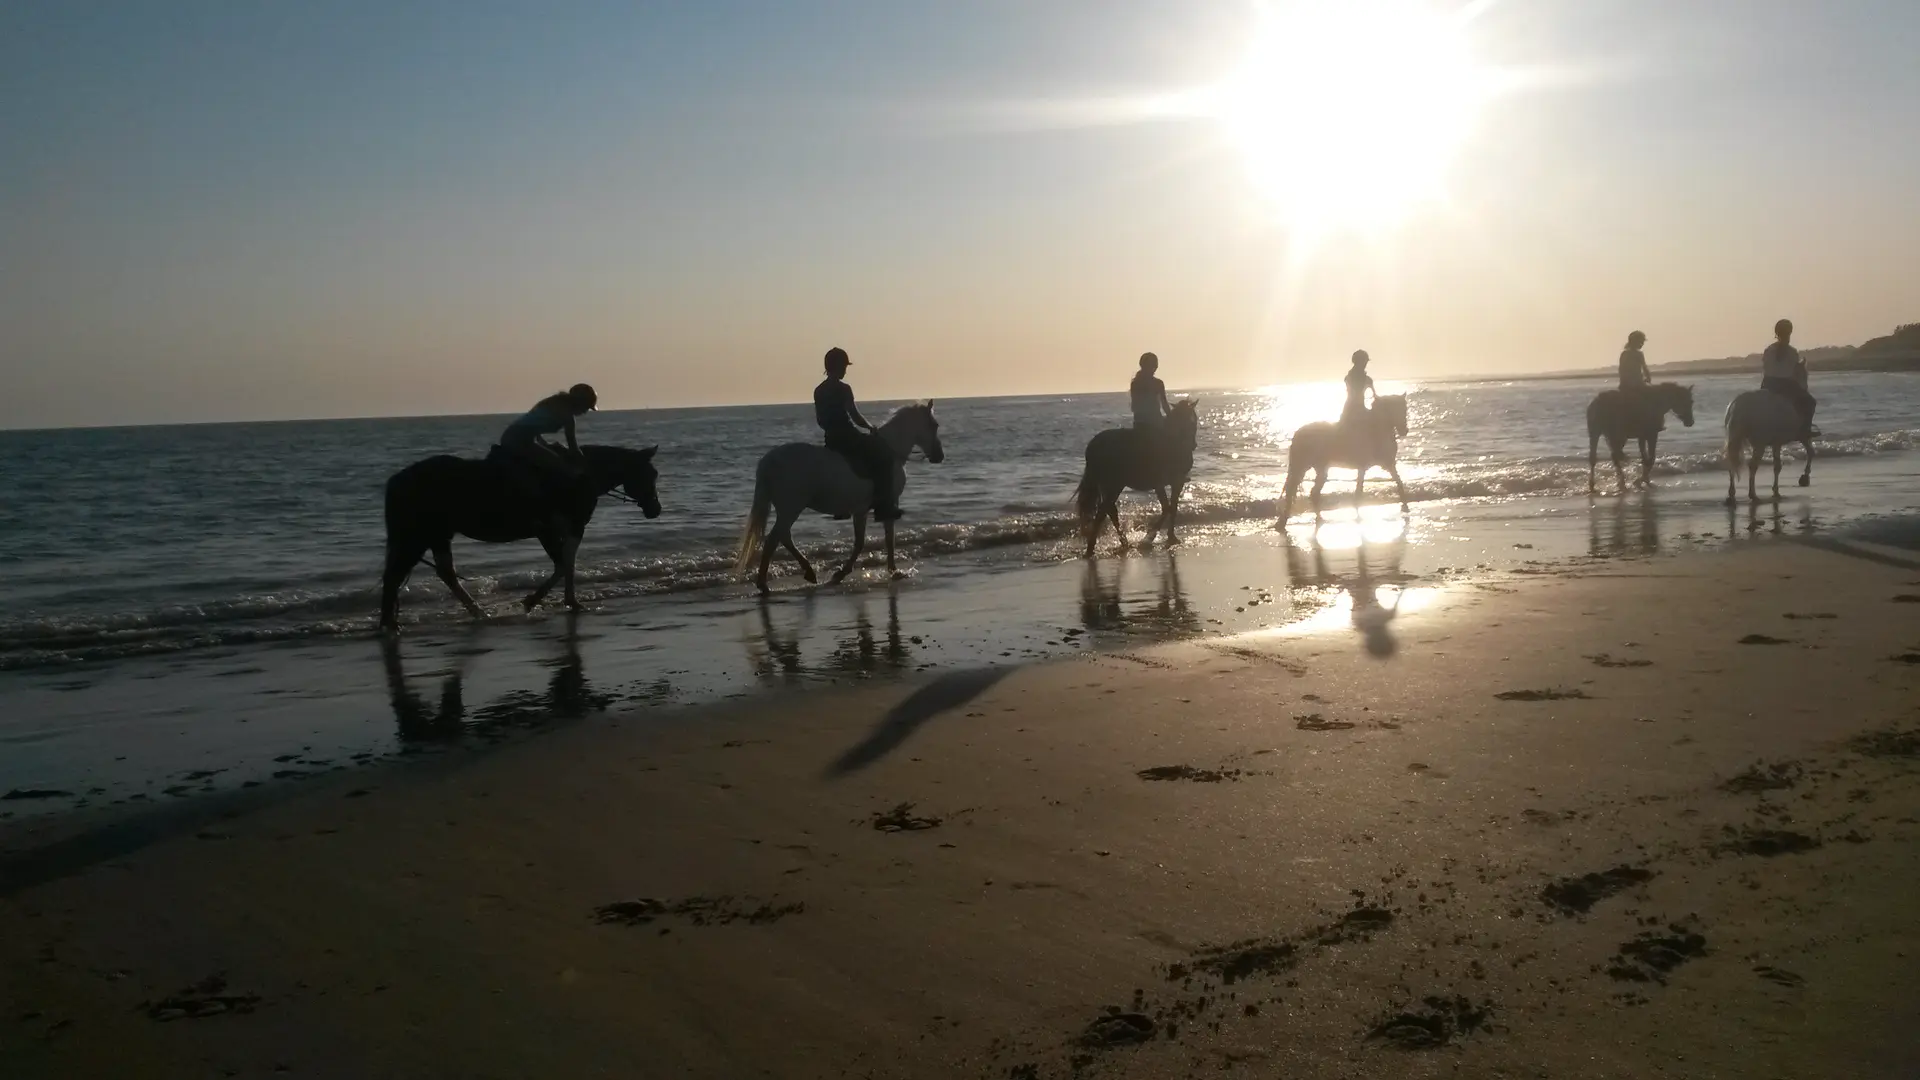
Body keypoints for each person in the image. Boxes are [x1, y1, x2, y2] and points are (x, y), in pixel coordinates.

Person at [815, 347, 901, 521]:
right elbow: (854, 415)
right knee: (884, 456)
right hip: (848, 437)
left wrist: (831, 429)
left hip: (831, 439)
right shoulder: (844, 388)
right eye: (844, 366)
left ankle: (840, 507)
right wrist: (870, 428)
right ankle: (883, 507)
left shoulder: (819, 390)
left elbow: (820, 420)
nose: (846, 370)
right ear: (839, 367)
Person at [499, 383, 596, 500]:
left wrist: (546, 445)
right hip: (519, 440)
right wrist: (585, 466)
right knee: (560, 466)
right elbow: (573, 447)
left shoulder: (551, 403)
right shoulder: (567, 416)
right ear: (580, 403)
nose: (585, 412)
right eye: (586, 407)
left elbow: (532, 426)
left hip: (516, 437)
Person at [1760, 319, 1817, 436]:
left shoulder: (1768, 350)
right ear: (1789, 333)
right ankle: (1805, 430)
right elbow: (1794, 372)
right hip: (1784, 385)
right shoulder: (1792, 352)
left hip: (1767, 384)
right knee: (1810, 402)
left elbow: (1765, 368)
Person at [1131, 352, 1170, 432]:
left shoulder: (1135, 383)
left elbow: (1134, 406)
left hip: (1139, 423)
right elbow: (1164, 405)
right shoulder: (1158, 383)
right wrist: (1171, 417)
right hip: (1155, 423)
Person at [1340, 350, 1376, 427]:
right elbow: (1353, 393)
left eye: (1365, 362)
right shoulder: (1349, 378)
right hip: (1351, 409)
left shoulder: (1367, 379)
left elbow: (1375, 396)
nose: (1365, 364)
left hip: (1361, 408)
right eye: (1364, 362)